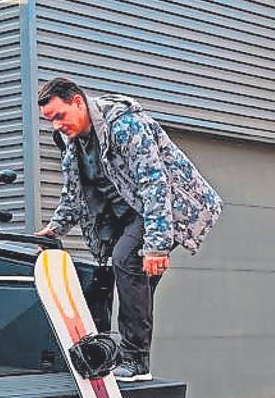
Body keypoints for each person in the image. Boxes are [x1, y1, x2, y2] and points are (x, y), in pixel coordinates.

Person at [34, 77, 222, 382]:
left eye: (59, 116)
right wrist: (55, 229)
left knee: (127, 260)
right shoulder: (73, 146)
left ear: (78, 102)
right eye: (50, 120)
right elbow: (73, 195)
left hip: (166, 207)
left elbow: (154, 183)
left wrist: (157, 245)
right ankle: (118, 350)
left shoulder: (124, 125)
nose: (56, 125)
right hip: (125, 216)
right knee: (132, 282)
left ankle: (135, 360)